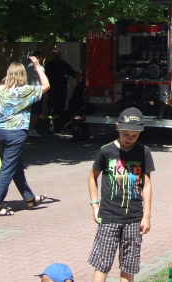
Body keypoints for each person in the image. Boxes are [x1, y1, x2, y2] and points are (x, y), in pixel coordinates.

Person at [88, 107, 154, 282]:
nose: (130, 139)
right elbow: (92, 177)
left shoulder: (144, 152)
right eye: (126, 134)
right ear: (117, 127)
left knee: (128, 266)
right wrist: (95, 205)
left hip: (133, 219)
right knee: (102, 263)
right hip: (109, 217)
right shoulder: (106, 151)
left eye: (134, 135)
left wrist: (146, 215)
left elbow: (146, 184)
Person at [0, 56, 50, 216]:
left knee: (16, 166)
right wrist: (37, 66)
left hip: (1, 132)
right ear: (22, 75)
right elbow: (46, 85)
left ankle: (29, 199)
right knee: (8, 168)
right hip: (16, 133)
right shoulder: (24, 91)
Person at [45, 47, 77, 133]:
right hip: (52, 91)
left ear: (61, 54)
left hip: (62, 91)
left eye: (58, 53)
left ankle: (59, 127)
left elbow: (74, 74)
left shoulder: (65, 65)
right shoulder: (49, 65)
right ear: (53, 55)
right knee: (52, 109)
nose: (57, 55)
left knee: (61, 109)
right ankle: (51, 127)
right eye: (55, 54)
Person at [26, 51, 45, 138]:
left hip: (29, 91)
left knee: (30, 111)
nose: (40, 59)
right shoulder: (40, 68)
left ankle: (28, 128)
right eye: (39, 57)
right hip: (38, 90)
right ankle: (31, 129)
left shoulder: (27, 67)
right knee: (36, 112)